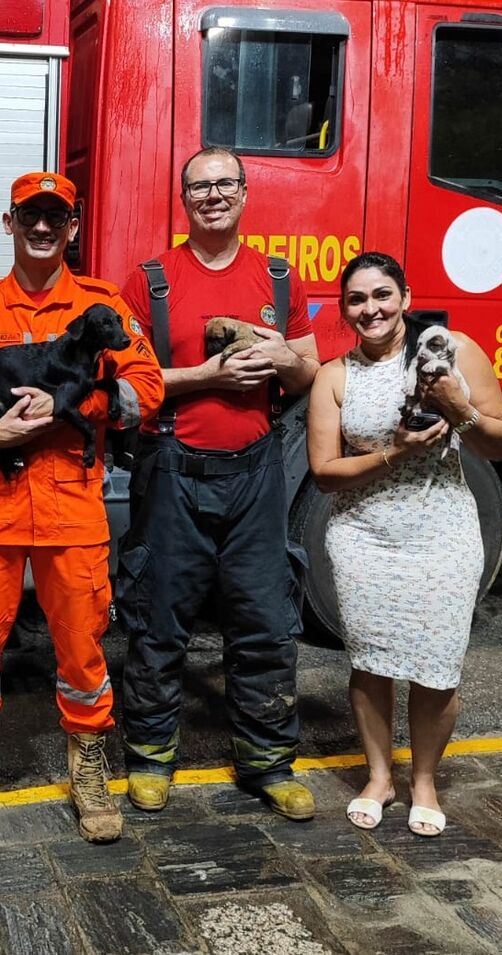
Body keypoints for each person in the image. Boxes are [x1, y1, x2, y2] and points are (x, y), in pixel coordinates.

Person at [0, 171, 164, 848]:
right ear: (10, 222)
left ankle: (88, 765)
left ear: (72, 228)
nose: (42, 227)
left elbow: (145, 386)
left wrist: (72, 406)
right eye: (30, 215)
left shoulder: (101, 303)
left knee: (84, 652)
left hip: (71, 513)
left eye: (55, 218)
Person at [115, 147, 321, 820]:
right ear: (184, 200)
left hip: (256, 473)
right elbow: (128, 387)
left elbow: (309, 373)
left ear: (244, 193)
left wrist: (281, 355)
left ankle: (269, 762)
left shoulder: (279, 278)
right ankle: (149, 757)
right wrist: (209, 376)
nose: (212, 195)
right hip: (173, 470)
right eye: (199, 186)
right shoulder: (150, 282)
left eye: (224, 183)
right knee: (157, 623)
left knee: (264, 621)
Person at [306, 251, 502, 836]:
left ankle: (424, 780)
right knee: (370, 664)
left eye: (382, 295)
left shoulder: (455, 353)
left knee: (437, 666)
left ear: (406, 296)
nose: (370, 308)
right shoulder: (334, 376)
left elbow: (499, 444)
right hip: (363, 536)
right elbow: (323, 472)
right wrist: (395, 452)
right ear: (344, 309)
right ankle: (379, 776)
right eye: (356, 299)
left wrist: (459, 407)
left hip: (443, 532)